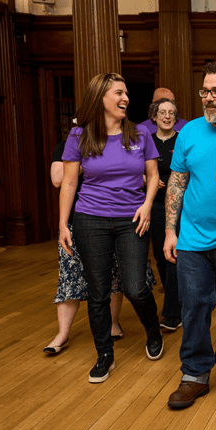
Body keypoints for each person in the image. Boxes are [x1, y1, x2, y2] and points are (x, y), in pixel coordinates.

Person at [59, 73, 164, 384]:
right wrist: (62, 224)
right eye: (119, 92)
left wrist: (146, 205)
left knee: (135, 286)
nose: (126, 98)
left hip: (130, 219)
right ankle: (104, 354)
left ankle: (152, 331)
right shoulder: (79, 136)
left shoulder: (140, 134)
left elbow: (154, 175)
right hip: (89, 219)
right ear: (101, 97)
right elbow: (69, 182)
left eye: (127, 93)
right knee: (98, 292)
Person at [164, 61, 216, 408]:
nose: (210, 98)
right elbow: (177, 182)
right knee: (194, 305)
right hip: (192, 239)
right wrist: (170, 230)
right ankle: (195, 374)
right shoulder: (189, 132)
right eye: (205, 91)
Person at [45, 141, 139, 353]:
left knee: (112, 274)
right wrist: (82, 161)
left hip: (110, 218)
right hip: (73, 221)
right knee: (70, 275)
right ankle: (62, 333)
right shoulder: (65, 146)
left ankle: (113, 323)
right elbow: (58, 180)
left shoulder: (115, 143)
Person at [147, 98, 182, 331]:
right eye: (163, 112)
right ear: (154, 117)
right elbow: (134, 171)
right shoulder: (146, 143)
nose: (167, 116)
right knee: (161, 257)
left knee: (173, 258)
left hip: (180, 209)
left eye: (171, 113)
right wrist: (147, 180)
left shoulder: (181, 140)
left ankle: (172, 314)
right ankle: (176, 302)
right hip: (155, 207)